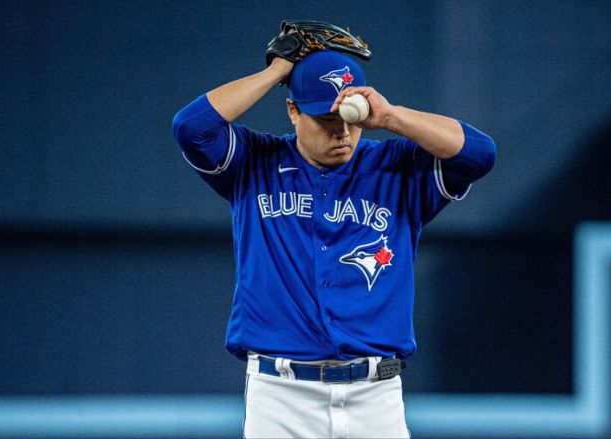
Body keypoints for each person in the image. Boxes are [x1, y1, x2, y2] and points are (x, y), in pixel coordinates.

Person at [171, 46, 496, 438]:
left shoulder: (398, 167)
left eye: (349, 119)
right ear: (293, 111)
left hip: (375, 396)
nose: (342, 132)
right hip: (281, 397)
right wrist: (277, 72)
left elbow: (480, 153)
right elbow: (191, 127)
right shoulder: (254, 163)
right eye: (326, 119)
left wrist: (390, 117)